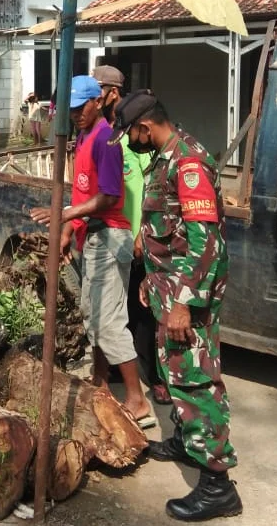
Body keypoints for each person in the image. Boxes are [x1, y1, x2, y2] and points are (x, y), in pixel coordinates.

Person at [110, 90, 241, 521]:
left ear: (145, 127)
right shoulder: (165, 158)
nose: (130, 141)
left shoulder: (186, 163)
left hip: (189, 295)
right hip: (170, 288)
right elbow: (167, 232)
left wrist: (183, 302)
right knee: (174, 370)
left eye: (130, 133)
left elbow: (206, 242)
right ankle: (188, 441)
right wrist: (152, 276)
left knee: (196, 381)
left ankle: (218, 483)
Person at [30, 75, 152, 426]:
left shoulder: (107, 140)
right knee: (93, 312)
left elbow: (110, 196)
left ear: (97, 101)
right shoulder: (83, 137)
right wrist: (70, 229)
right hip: (92, 235)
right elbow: (82, 194)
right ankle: (100, 379)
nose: (74, 116)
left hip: (111, 236)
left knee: (108, 320)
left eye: (79, 109)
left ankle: (136, 399)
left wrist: (65, 215)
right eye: (68, 111)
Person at [94, 66, 171, 407]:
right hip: (116, 234)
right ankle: (116, 369)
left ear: (111, 91)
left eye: (99, 90)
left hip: (139, 234)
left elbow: (148, 188)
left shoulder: (139, 133)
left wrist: (142, 231)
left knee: (146, 311)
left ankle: (156, 377)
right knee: (117, 305)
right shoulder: (111, 132)